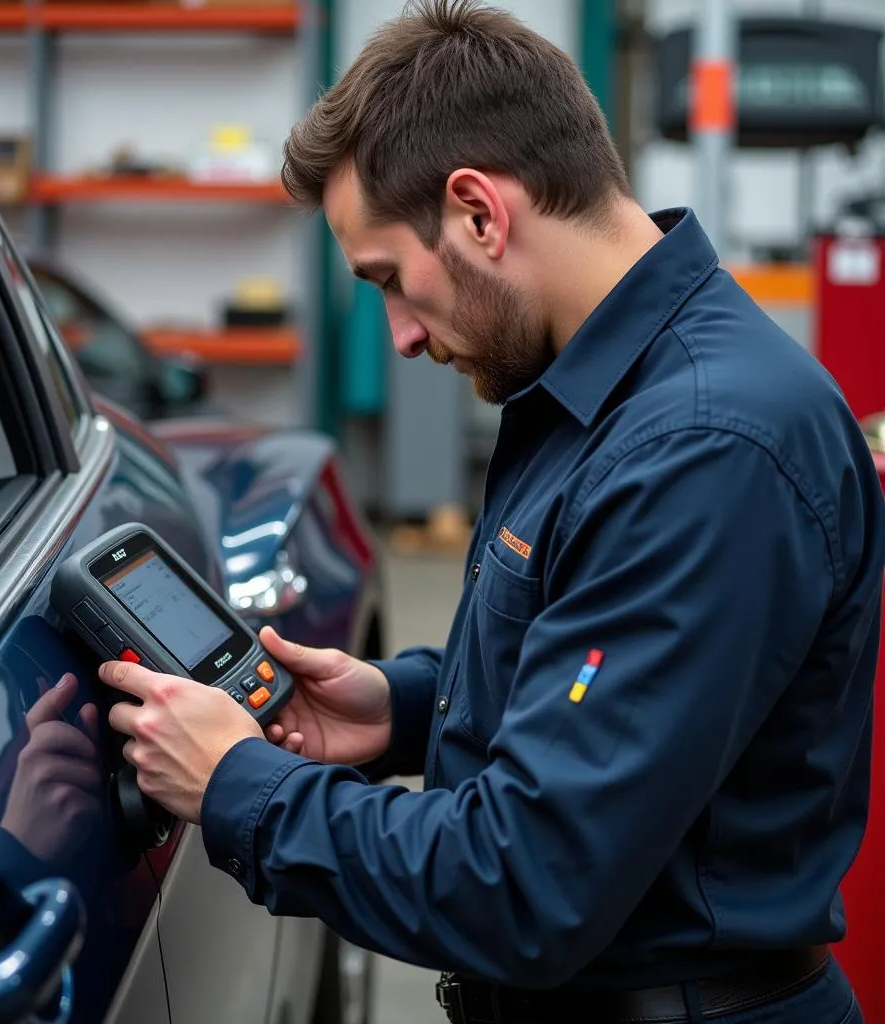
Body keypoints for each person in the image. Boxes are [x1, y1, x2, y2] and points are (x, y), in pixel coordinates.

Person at [99, 2, 885, 1021]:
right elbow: (598, 667)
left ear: (478, 211)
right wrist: (405, 707)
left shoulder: (701, 446)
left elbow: (524, 886)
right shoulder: (596, 394)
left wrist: (239, 783)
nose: (402, 338)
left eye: (390, 281)